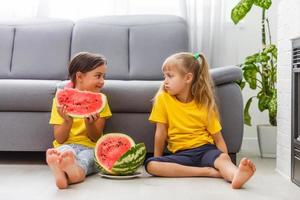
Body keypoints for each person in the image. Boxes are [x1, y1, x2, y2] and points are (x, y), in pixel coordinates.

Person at [145, 52, 255, 189]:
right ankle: (208, 172)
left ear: (188, 78)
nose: (165, 81)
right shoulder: (163, 99)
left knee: (223, 160)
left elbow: (218, 138)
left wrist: (225, 158)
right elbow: (160, 133)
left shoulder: (204, 103)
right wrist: (158, 159)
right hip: (181, 154)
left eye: (170, 76)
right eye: (164, 76)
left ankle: (234, 175)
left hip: (206, 150)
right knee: (151, 165)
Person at [46, 52, 112, 189]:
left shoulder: (101, 99)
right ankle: (67, 169)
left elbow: (96, 138)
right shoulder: (60, 101)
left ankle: (63, 173)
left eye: (103, 76)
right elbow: (60, 138)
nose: (102, 81)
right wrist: (67, 121)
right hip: (67, 145)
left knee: (87, 159)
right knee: (64, 152)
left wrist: (90, 124)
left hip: (90, 147)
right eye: (98, 76)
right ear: (80, 76)